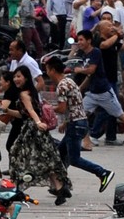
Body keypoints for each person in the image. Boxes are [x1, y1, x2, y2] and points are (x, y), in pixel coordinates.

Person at [3, 65, 69, 204]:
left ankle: (16, 190)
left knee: (17, 155)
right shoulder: (30, 92)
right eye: (15, 76)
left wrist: (38, 122)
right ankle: (60, 189)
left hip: (31, 130)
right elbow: (23, 114)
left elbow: (31, 111)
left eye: (19, 76)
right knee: (46, 160)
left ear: (26, 78)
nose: (16, 79)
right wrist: (7, 110)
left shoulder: (23, 94)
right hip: (36, 129)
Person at [45, 55, 111, 193]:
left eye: (47, 69)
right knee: (60, 154)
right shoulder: (69, 81)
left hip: (75, 125)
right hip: (79, 122)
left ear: (52, 70)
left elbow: (62, 108)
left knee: (74, 159)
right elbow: (73, 105)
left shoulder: (61, 86)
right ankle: (62, 186)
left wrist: (48, 108)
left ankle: (102, 173)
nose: (46, 73)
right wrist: (66, 122)